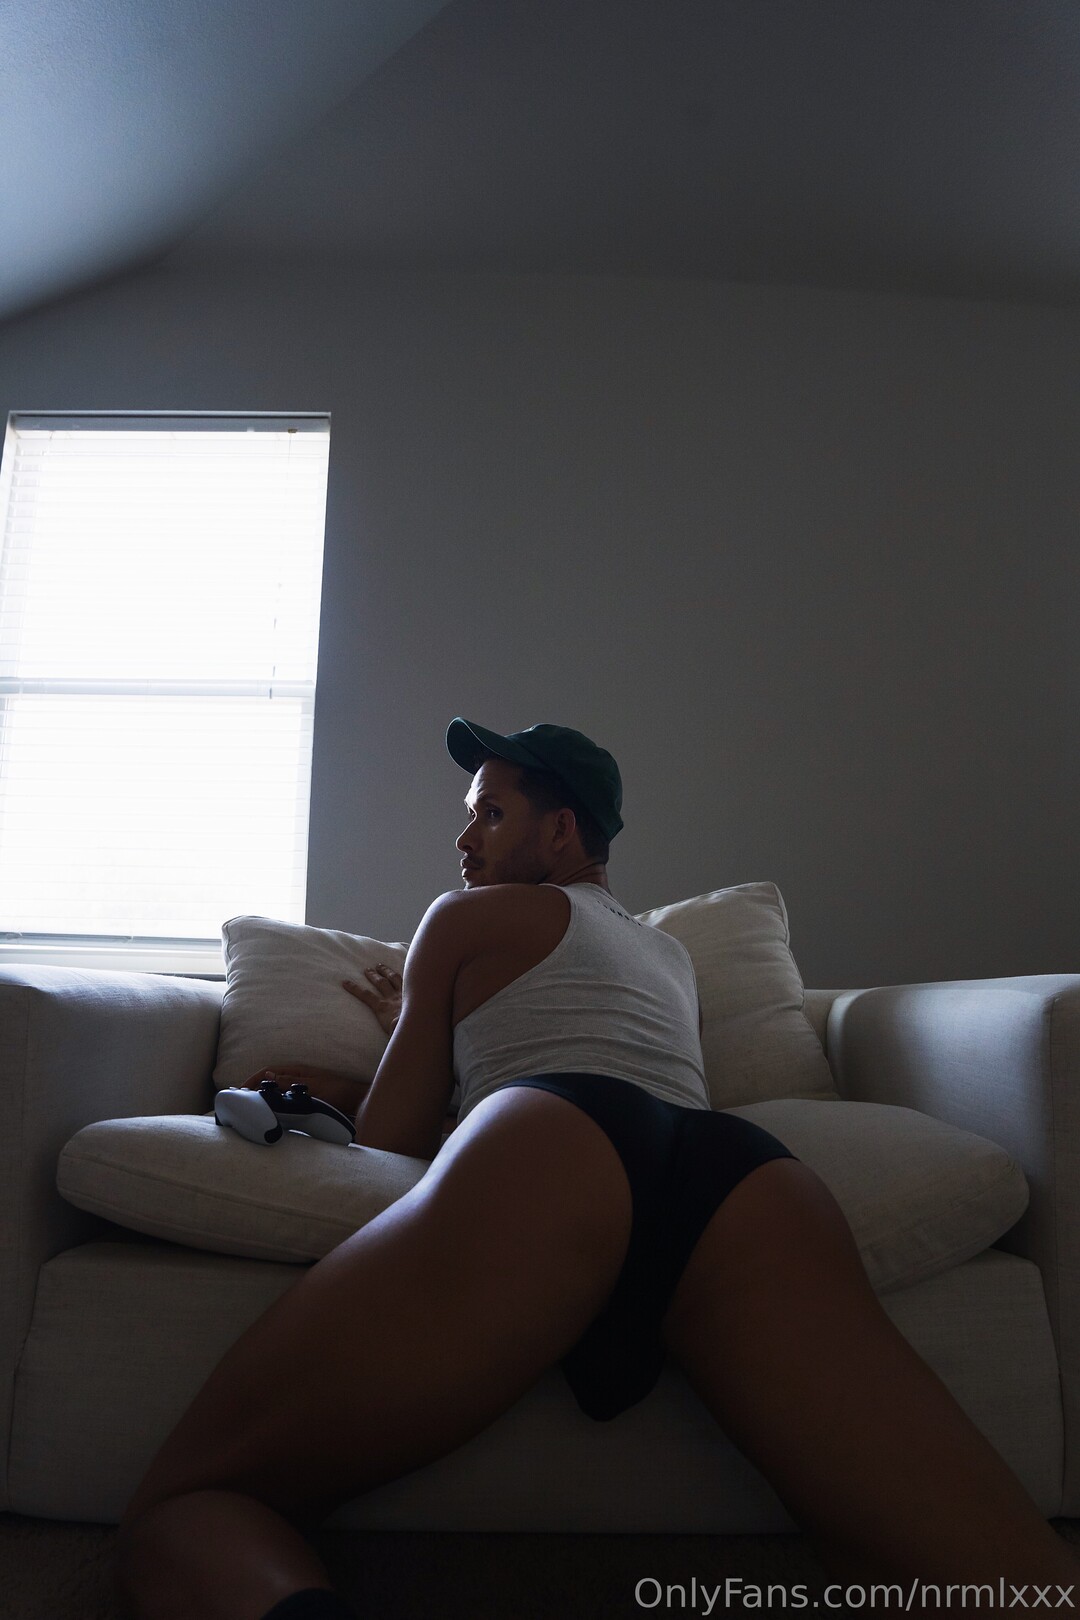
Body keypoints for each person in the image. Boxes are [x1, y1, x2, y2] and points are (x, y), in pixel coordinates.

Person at [114, 720, 1080, 1620]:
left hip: (548, 1145)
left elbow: (395, 1139)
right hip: (737, 1175)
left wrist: (395, 1031)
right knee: (1001, 1581)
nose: (466, 841)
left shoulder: (463, 920)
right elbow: (611, 1077)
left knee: (191, 1501)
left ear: (561, 829)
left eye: (491, 814)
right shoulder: (667, 955)